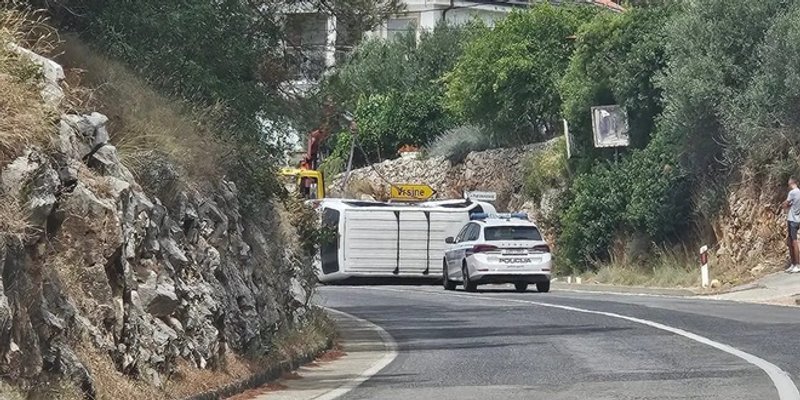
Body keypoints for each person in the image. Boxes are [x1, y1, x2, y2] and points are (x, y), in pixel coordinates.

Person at [784, 178, 800, 273]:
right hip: (798, 220)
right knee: (790, 241)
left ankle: (797, 264)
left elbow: (785, 204)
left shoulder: (792, 193)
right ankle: (793, 264)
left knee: (793, 242)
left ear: (791, 183)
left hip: (792, 219)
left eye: (788, 183)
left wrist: (786, 205)